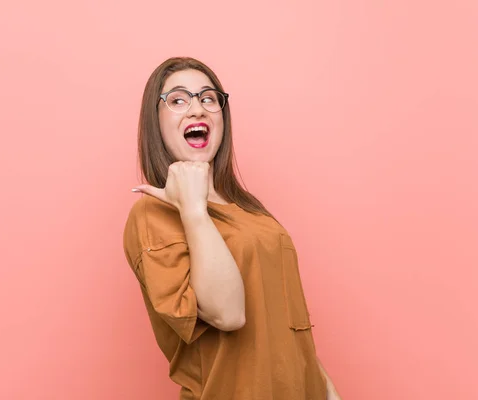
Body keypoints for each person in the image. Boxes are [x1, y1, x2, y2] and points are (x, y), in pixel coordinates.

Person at [123, 57, 341, 400]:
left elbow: (288, 329)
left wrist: (328, 392)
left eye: (208, 98)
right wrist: (194, 209)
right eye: (178, 100)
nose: (197, 108)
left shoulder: (251, 213)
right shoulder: (153, 215)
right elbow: (228, 314)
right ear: (156, 121)